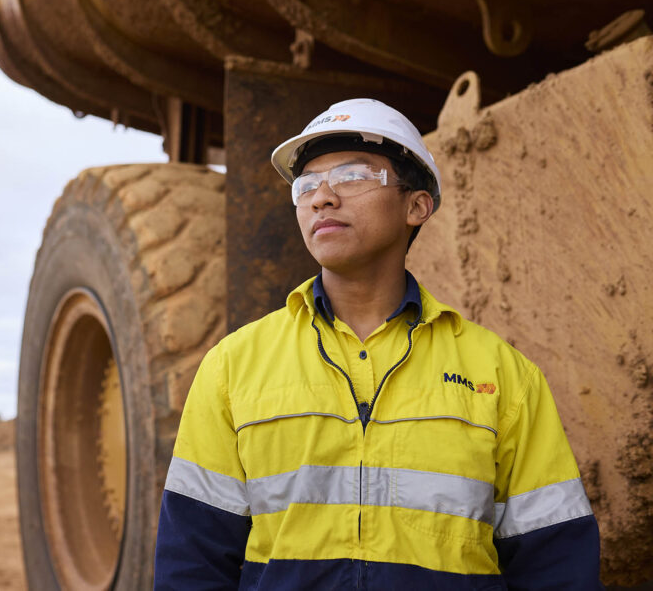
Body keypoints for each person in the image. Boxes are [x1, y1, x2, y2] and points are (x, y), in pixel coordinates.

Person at [153, 98, 601, 589]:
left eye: (351, 176)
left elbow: (557, 562)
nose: (322, 197)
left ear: (416, 205)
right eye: (306, 185)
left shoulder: (503, 376)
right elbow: (191, 560)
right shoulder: (233, 367)